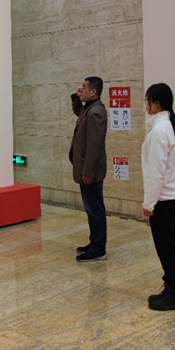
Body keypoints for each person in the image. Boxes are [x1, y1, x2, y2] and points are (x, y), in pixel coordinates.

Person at [142, 83, 175, 311]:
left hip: (163, 200)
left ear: (156, 103)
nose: (145, 104)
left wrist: (149, 203)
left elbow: (155, 172)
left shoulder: (160, 131)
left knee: (166, 247)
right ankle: (170, 287)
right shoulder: (163, 126)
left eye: (147, 100)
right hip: (167, 197)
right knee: (165, 246)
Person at [69, 76, 108, 262]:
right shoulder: (89, 109)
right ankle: (94, 242)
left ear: (93, 92)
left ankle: (99, 248)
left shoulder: (96, 112)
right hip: (86, 170)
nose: (81, 88)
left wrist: (88, 172)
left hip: (90, 173)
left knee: (95, 209)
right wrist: (76, 97)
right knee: (91, 209)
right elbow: (79, 112)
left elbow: (94, 146)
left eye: (84, 87)